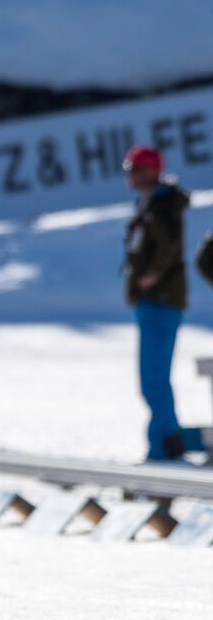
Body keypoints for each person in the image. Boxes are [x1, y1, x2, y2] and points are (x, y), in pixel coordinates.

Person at [123, 145, 189, 461]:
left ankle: (163, 446)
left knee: (154, 377)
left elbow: (169, 245)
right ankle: (168, 439)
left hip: (161, 301)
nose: (129, 175)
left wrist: (151, 275)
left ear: (150, 171)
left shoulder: (162, 206)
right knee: (152, 377)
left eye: (133, 168)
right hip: (153, 302)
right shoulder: (150, 204)